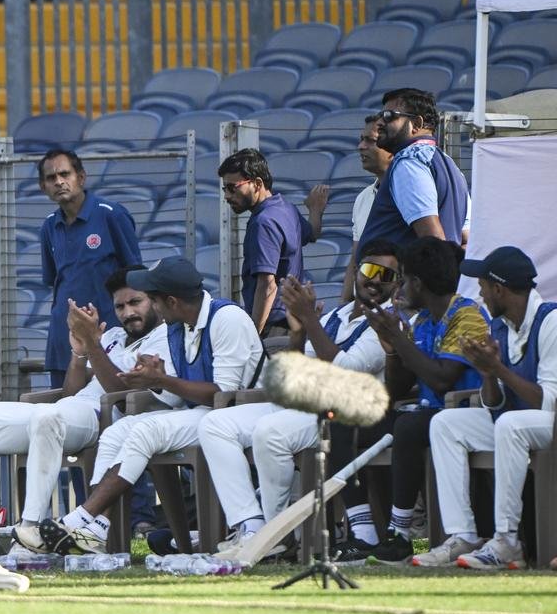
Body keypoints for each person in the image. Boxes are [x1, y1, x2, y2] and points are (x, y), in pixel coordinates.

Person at [18, 257, 264, 554]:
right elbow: (175, 395)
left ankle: (79, 519)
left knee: (145, 430)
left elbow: (222, 395)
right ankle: (95, 531)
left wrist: (162, 380)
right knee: (117, 431)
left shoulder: (227, 318)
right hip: (204, 413)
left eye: (152, 299)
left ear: (170, 301)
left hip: (243, 412)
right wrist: (150, 379)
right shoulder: (178, 326)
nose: (151, 309)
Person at [0, 265, 170, 550]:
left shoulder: (163, 337)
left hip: (103, 420)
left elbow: (121, 395)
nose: (127, 312)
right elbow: (70, 393)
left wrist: (93, 345)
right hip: (65, 413)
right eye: (120, 306)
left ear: (154, 301)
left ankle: (31, 530)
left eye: (135, 302)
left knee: (46, 414)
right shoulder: (112, 336)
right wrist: (79, 353)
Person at [199, 239, 401, 560]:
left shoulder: (390, 321)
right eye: (369, 270)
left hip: (344, 412)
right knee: (214, 424)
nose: (375, 280)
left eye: (386, 275)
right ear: (356, 272)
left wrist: (309, 321)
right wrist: (297, 334)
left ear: (399, 283)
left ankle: (276, 534)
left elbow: (345, 370)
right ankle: (253, 525)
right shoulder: (338, 314)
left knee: (271, 431)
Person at [328, 237, 489, 565]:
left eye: (402, 277)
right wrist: (391, 348)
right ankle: (363, 530)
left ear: (417, 282)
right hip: (423, 413)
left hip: (460, 413)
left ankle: (399, 532)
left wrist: (400, 340)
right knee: (344, 420)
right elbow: (400, 387)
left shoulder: (466, 315)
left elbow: (442, 380)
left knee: (409, 425)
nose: (398, 285)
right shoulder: (424, 320)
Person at [426, 247, 556, 569]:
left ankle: (506, 542)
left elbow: (547, 401)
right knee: (445, 423)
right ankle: (463, 535)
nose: (480, 293)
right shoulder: (499, 327)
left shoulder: (551, 321)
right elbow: (496, 404)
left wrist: (499, 370)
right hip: (515, 423)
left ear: (499, 288)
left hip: (549, 421)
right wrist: (487, 374)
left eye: (483, 285)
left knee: (510, 425)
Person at [37, 148, 142, 388]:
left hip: (107, 333)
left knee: (108, 407)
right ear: (43, 187)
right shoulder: (48, 227)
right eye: (51, 178)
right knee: (63, 410)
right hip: (64, 337)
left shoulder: (111, 215)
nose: (59, 181)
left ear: (81, 178)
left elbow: (134, 275)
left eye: (65, 174)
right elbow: (55, 279)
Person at [218, 147, 329, 337]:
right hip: (292, 323)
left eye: (232, 188)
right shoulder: (285, 208)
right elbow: (312, 233)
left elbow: (268, 285)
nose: (227, 196)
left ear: (257, 183)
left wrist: (253, 336)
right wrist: (315, 209)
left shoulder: (264, 222)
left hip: (273, 327)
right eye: (224, 189)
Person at [357, 87, 469, 256]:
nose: (379, 123)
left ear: (416, 124)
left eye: (388, 116)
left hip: (402, 280)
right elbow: (466, 239)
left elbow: (433, 241)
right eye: (381, 115)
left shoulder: (409, 163)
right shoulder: (450, 165)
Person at [341, 116, 395, 304]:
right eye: (361, 139)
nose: (361, 146)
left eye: (370, 141)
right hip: (362, 307)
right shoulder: (362, 199)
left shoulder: (410, 194)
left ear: (391, 150)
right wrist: (343, 307)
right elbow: (356, 258)